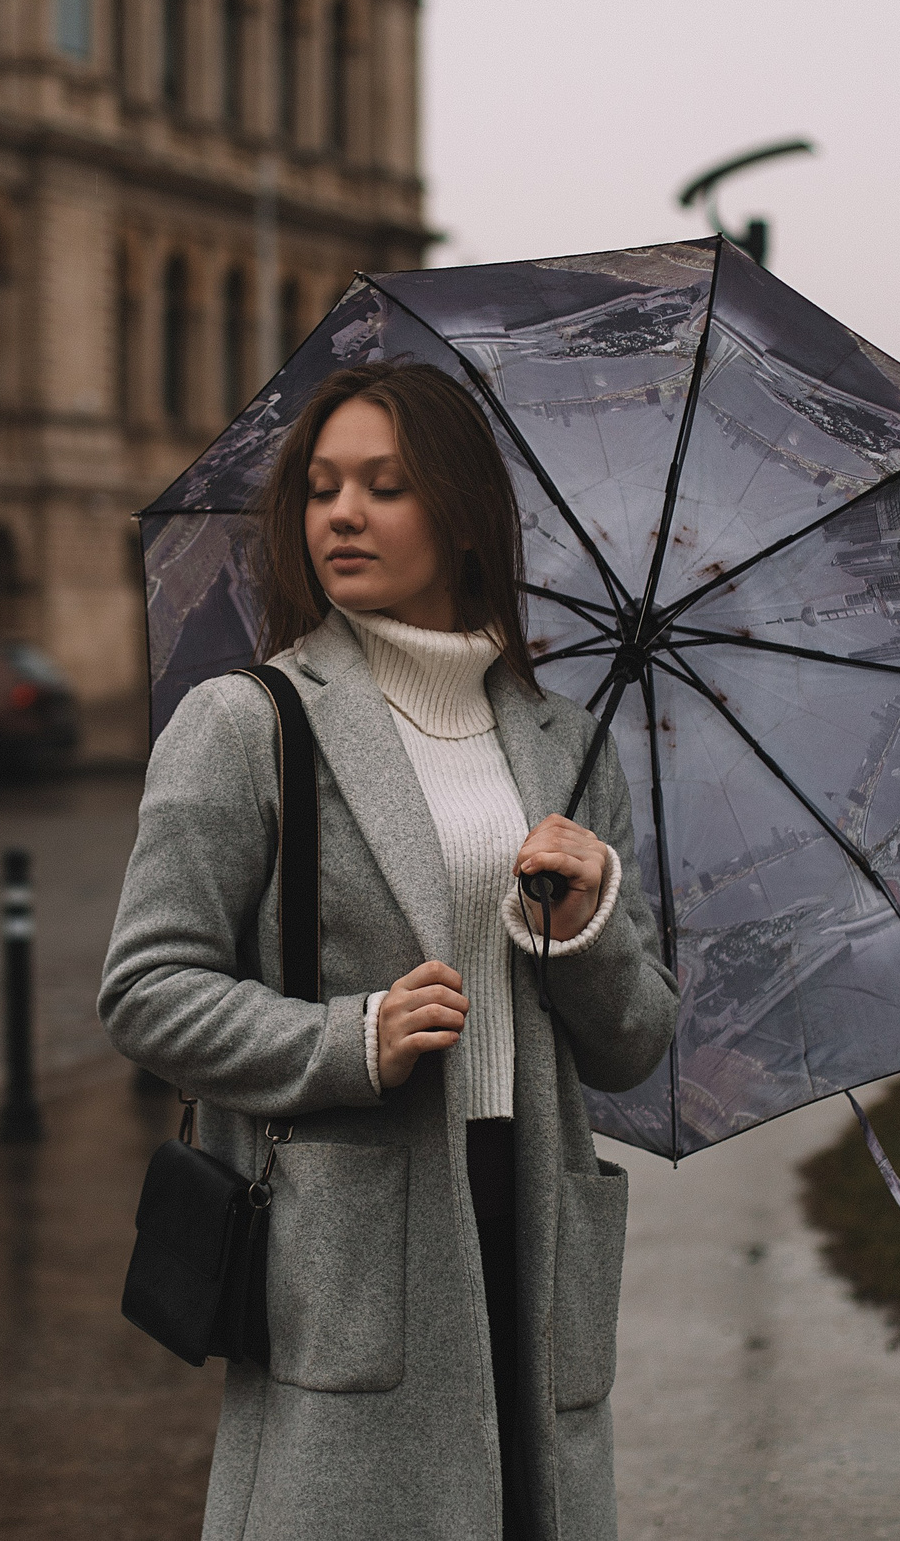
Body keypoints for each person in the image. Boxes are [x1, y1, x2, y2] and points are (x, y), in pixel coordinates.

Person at [100, 358, 679, 1541]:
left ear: (461, 516)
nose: (343, 515)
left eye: (385, 486)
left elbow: (633, 1045)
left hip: (530, 1219)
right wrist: (349, 1039)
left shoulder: (567, 744)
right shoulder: (250, 723)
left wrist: (584, 932)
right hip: (358, 1238)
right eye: (321, 488)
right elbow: (147, 991)